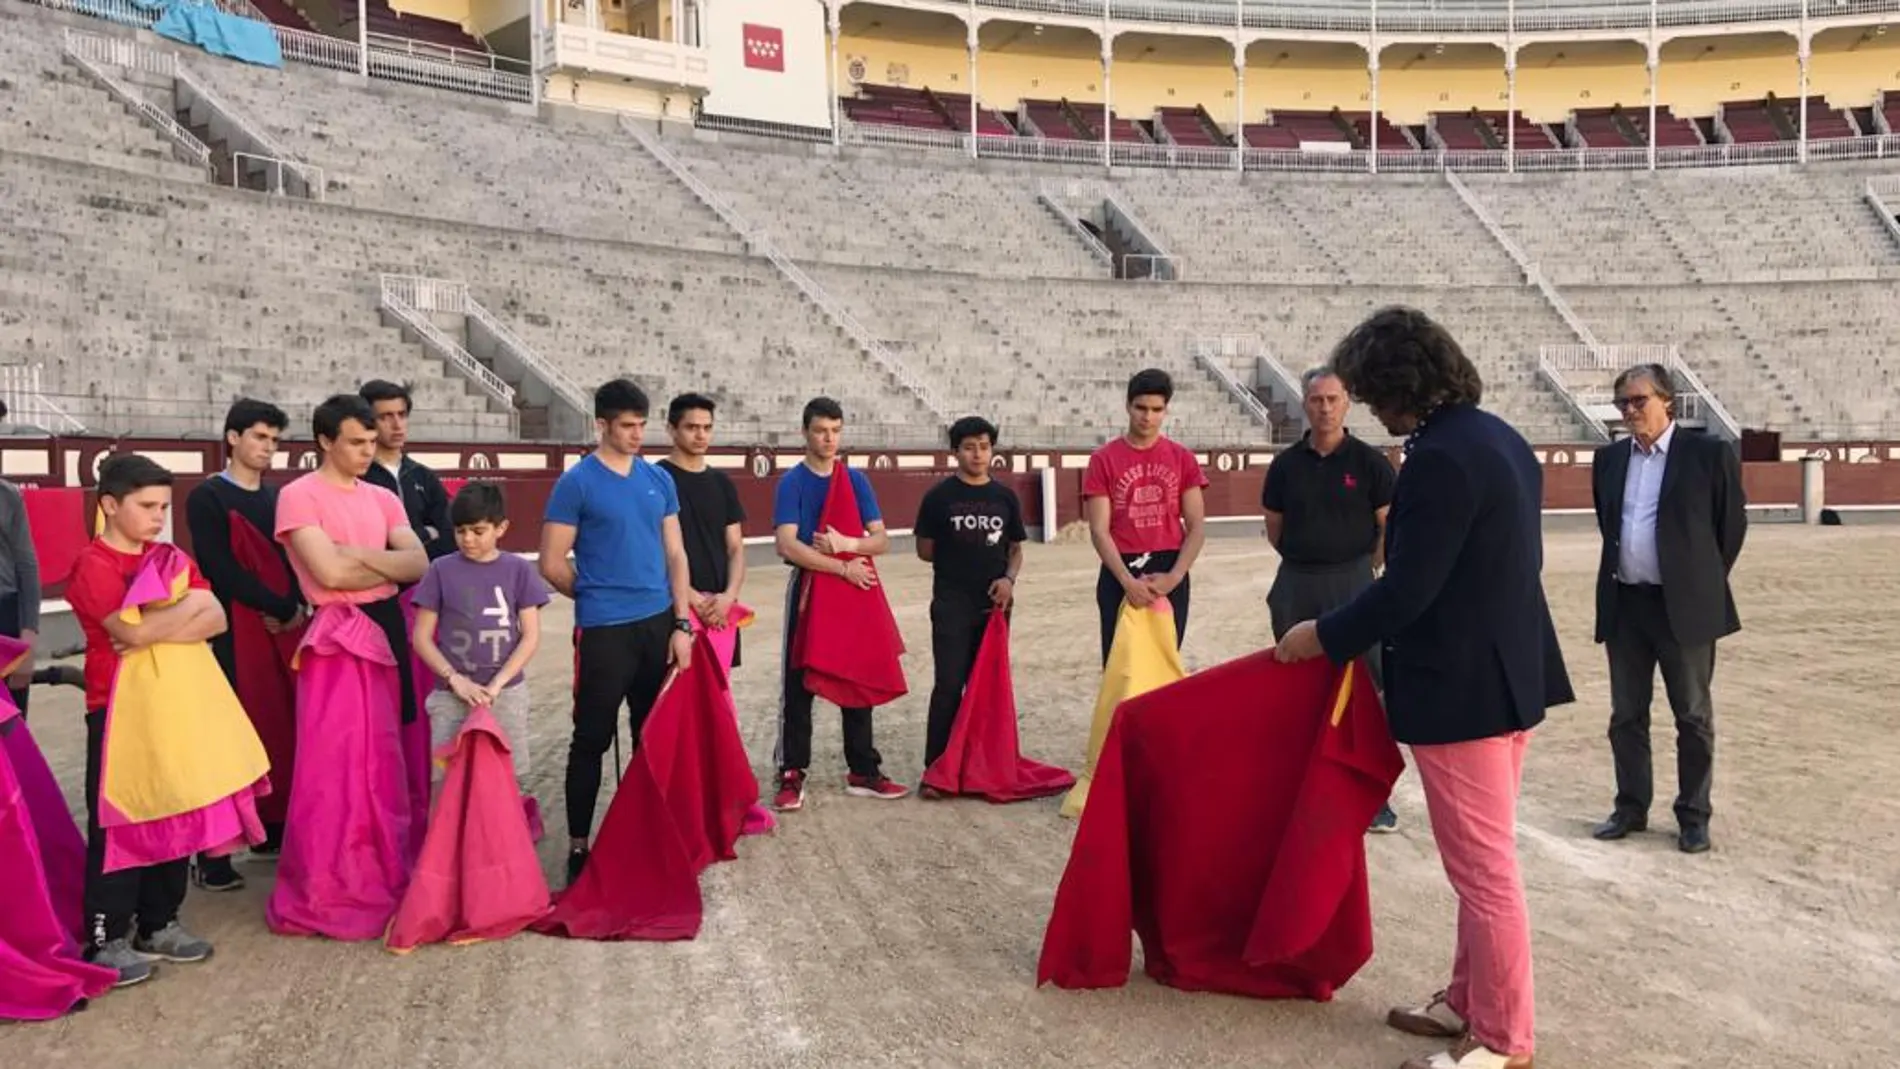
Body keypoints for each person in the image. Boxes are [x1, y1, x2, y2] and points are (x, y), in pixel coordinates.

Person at [1275, 307, 1571, 1069]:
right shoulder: (1497, 435)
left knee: (1483, 870)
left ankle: (1504, 1039)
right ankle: (1470, 1002)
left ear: (1400, 387)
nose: (1372, 408)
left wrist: (1323, 634)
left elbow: (1407, 589)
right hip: (1510, 669)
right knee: (1486, 862)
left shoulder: (1439, 456)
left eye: (1375, 394)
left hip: (1461, 684)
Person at [266, 394, 429, 941]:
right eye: (356, 442)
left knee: (389, 755)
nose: (368, 450)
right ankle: (332, 877)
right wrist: (379, 565)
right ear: (324, 441)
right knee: (333, 763)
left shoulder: (383, 496)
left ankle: (383, 864)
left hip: (385, 625)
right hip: (336, 634)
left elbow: (418, 564)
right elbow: (328, 575)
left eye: (370, 441)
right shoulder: (296, 496)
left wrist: (355, 557)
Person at [65, 454, 228, 986]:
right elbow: (127, 635)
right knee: (121, 818)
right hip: (114, 708)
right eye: (146, 506)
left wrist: (155, 621)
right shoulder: (93, 564)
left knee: (172, 807)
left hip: (170, 703)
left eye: (164, 506)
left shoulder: (168, 555)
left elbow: (217, 617)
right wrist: (185, 616)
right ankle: (106, 935)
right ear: (110, 505)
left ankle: (158, 923)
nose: (159, 517)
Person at [539, 379, 696, 886]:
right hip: (605, 630)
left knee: (650, 735)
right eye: (626, 425)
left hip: (657, 625)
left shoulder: (658, 479)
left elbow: (676, 553)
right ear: (600, 424)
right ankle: (580, 846)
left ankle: (646, 831)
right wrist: (595, 597)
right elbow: (550, 562)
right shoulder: (577, 482)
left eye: (640, 425)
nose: (636, 434)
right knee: (591, 737)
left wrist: (680, 622)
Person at [1589, 364, 1746, 855]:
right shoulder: (1610, 460)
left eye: (1638, 401)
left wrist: (1695, 582)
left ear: (1667, 401)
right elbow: (1608, 525)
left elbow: (1730, 531)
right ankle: (1631, 807)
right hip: (1627, 603)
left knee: (1692, 716)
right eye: (1623, 405)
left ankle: (1694, 816)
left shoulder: (1708, 454)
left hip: (1683, 608)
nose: (1630, 411)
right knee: (1626, 715)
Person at [1263, 368, 1401, 834]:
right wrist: (1305, 562)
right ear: (1305, 403)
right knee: (1298, 684)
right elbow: (1275, 527)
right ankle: (1305, 784)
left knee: (1368, 687)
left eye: (1333, 399)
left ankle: (1372, 794)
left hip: (1355, 582)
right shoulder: (1285, 466)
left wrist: (1366, 570)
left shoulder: (1370, 463)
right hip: (1298, 582)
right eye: (1317, 399)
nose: (1325, 408)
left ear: (1347, 404)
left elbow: (1387, 525)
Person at [184, 399, 306, 892]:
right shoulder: (207, 497)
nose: (268, 448)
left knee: (281, 723)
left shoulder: (279, 499)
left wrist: (294, 606)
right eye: (260, 437)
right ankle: (213, 855)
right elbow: (218, 568)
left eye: (275, 441)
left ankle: (269, 827)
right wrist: (278, 605)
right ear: (233, 437)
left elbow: (298, 555)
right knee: (231, 733)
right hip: (235, 629)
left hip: (282, 626)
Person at [769, 397, 909, 811]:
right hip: (814, 586)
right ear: (805, 433)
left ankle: (863, 769)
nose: (828, 439)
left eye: (835, 431)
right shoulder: (792, 482)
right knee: (798, 681)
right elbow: (787, 545)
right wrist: (842, 567)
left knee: (858, 673)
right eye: (820, 431)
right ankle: (792, 772)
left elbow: (881, 540)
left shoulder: (856, 480)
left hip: (850, 590)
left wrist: (849, 545)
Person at [410, 481, 547, 795]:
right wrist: (454, 679)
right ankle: (447, 844)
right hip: (451, 695)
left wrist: (497, 684)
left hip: (505, 694)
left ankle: (502, 843)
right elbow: (421, 637)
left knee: (505, 780)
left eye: (477, 530)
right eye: (460, 531)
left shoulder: (519, 570)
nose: (467, 539)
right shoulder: (440, 570)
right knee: (445, 783)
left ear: (501, 528)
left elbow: (530, 636)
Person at [914, 416, 1026, 785]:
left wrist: (1009, 580)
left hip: (995, 606)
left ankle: (983, 765)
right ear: (955, 452)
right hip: (951, 604)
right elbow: (925, 551)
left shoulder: (1006, 496)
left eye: (984, 446)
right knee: (948, 684)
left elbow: (1015, 550)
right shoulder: (938, 497)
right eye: (969, 447)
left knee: (988, 687)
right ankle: (937, 768)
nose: (978, 454)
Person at [1084, 369, 1207, 664]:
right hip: (1120, 566)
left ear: (1166, 410)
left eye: (1156, 409)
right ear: (1128, 405)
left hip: (1169, 565)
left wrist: (1174, 577)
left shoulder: (1182, 458)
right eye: (1141, 407)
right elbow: (1099, 530)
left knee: (1163, 662)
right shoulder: (1103, 459)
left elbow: (1197, 526)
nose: (1147, 417)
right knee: (1120, 665)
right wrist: (1127, 581)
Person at [657, 393, 747, 649]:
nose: (700, 435)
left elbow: (735, 547)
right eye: (691, 427)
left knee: (718, 686)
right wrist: (693, 598)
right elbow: (653, 550)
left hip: (720, 609)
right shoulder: (656, 479)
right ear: (671, 430)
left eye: (707, 428)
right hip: (673, 606)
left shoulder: (722, 483)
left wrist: (728, 597)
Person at [359, 380, 456, 562]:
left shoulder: (424, 476)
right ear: (368, 422)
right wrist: (425, 533)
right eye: (386, 417)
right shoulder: (357, 476)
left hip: (422, 581)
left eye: (402, 415)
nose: (397, 425)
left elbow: (448, 536)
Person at [0, 398, 41, 715]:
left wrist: (27, 638)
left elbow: (27, 567)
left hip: (6, 617)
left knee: (10, 732)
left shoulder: (8, 497)